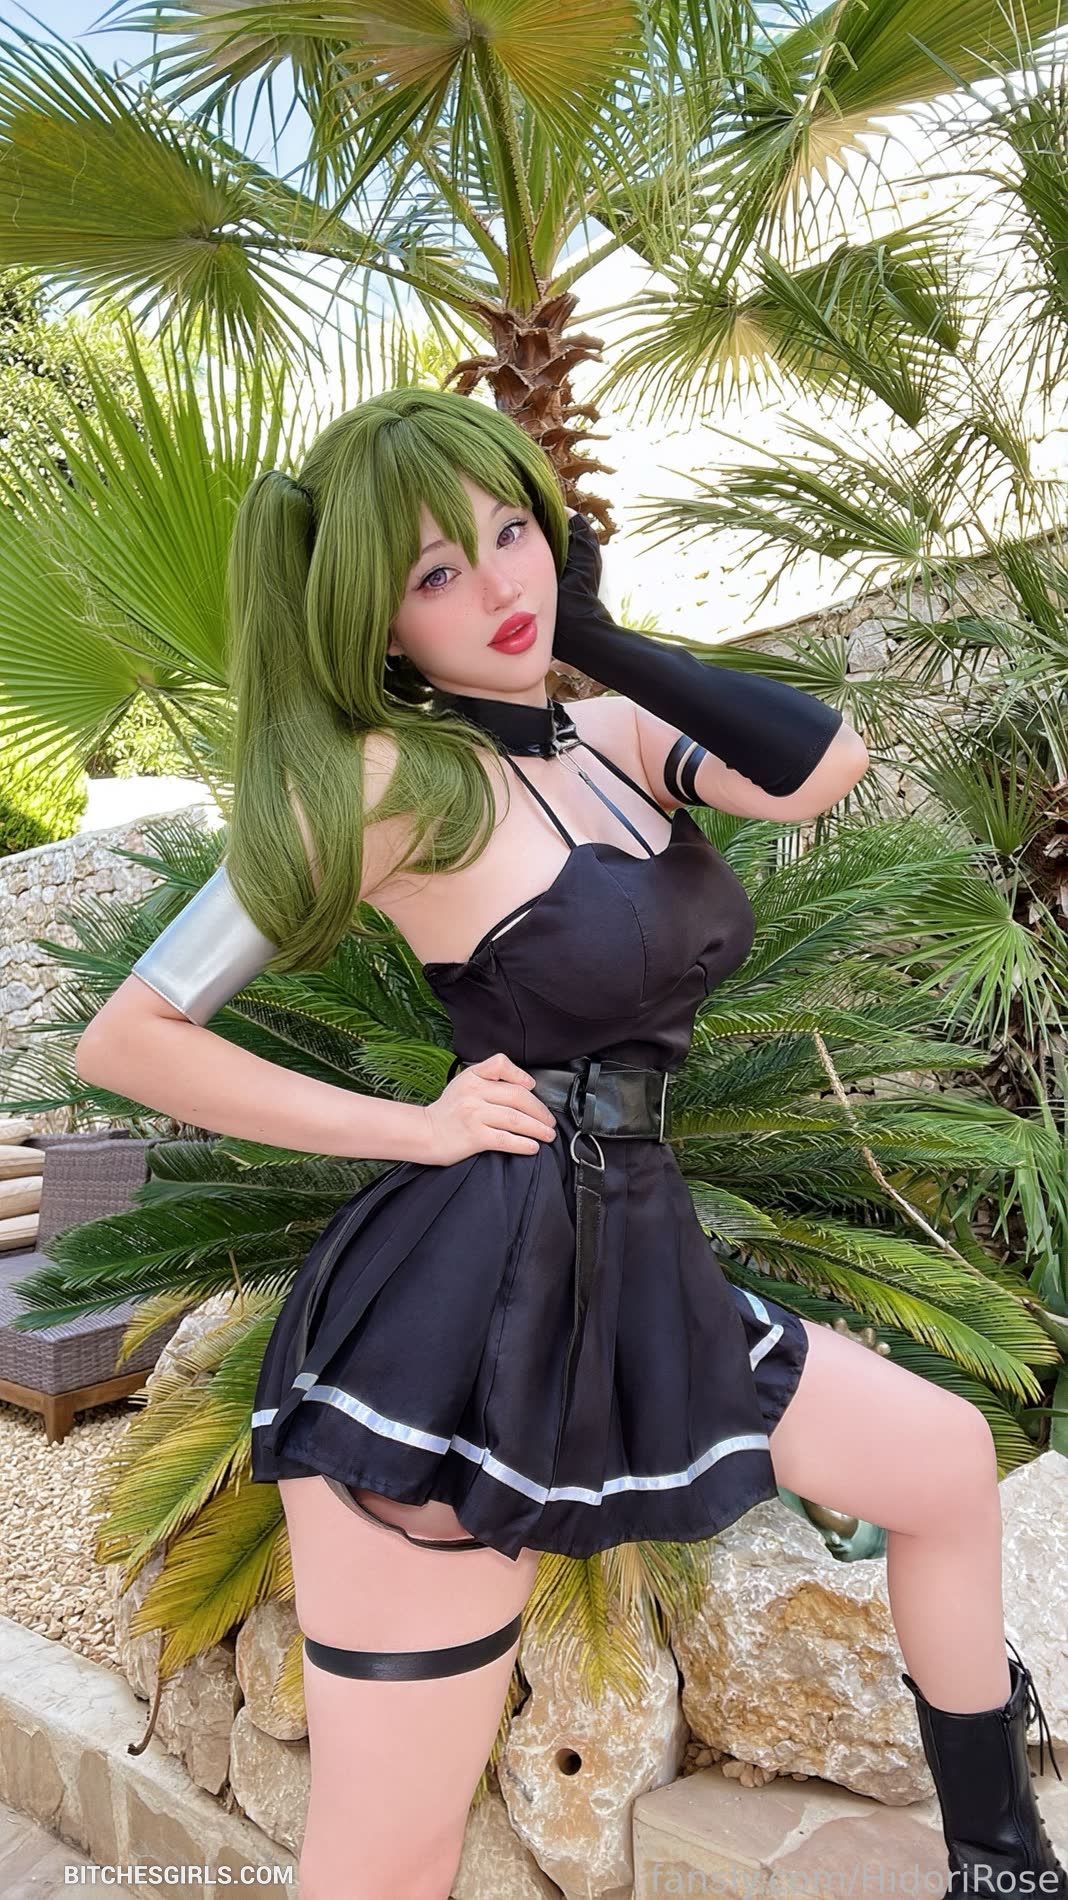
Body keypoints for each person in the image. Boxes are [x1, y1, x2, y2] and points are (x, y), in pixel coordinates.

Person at [75, 388, 1064, 1900]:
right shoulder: (392, 782)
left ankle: (1003, 1865)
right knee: (388, 1856)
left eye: (511, 532)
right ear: (379, 624)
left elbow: (822, 765)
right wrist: (410, 1124)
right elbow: (131, 1037)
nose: (498, 585)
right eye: (436, 572)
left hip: (641, 1262)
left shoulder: (614, 738)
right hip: (459, 1320)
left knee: (936, 1458)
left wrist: (593, 638)